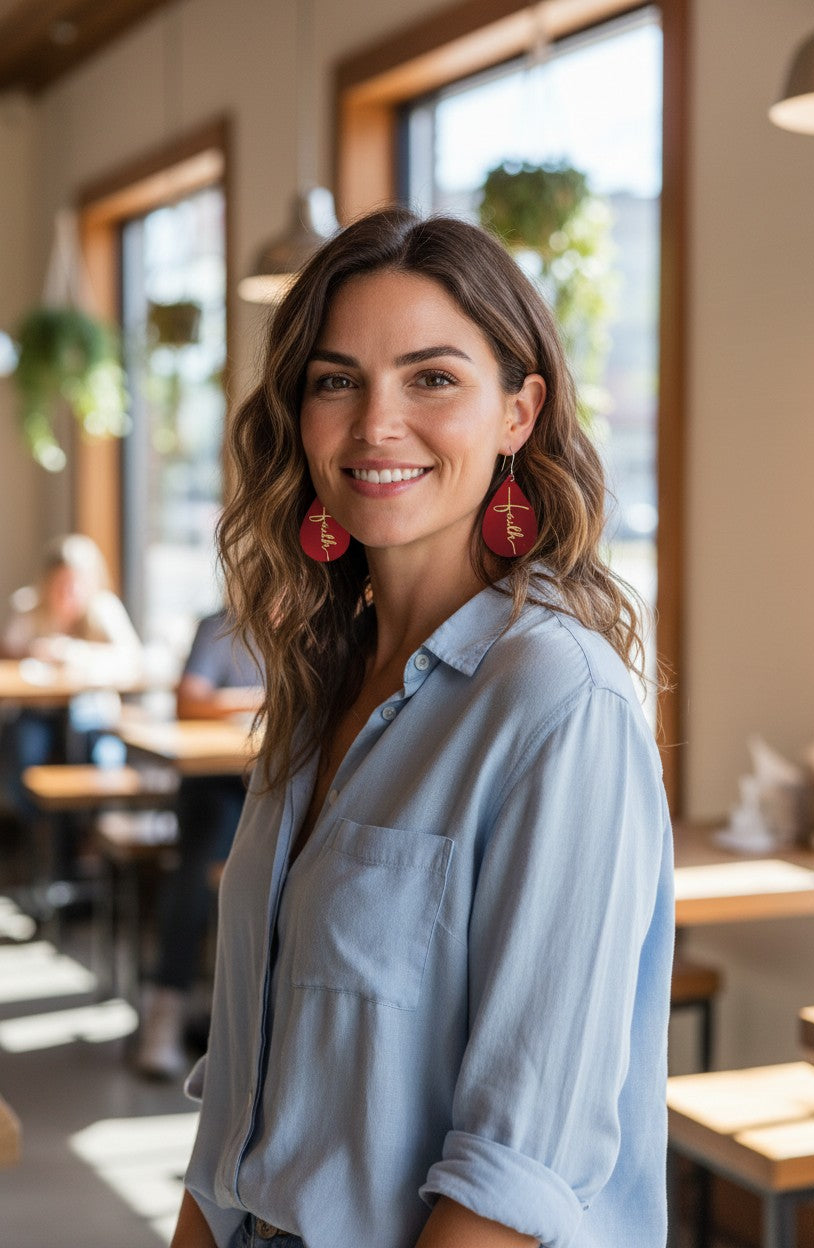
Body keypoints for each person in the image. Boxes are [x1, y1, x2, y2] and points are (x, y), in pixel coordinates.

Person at [173, 209, 674, 1248]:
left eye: (431, 378)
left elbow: (512, 1177)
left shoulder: (557, 702)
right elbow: (242, 1100)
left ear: (517, 412)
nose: (374, 426)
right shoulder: (318, 691)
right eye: (335, 379)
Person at [137, 608, 262, 1079]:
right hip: (215, 778)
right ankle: (166, 1006)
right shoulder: (220, 626)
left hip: (278, 773)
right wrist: (261, 699)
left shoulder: (322, 622)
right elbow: (188, 702)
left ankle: (253, 1025)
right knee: (202, 847)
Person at [0, 533, 141, 880]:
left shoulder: (104, 609)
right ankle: (46, 840)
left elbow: (134, 661)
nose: (68, 593)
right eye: (60, 584)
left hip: (89, 711)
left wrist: (78, 654)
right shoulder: (28, 607)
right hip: (39, 712)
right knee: (22, 756)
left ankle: (85, 845)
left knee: (101, 755)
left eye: (75, 584)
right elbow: (8, 654)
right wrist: (35, 652)